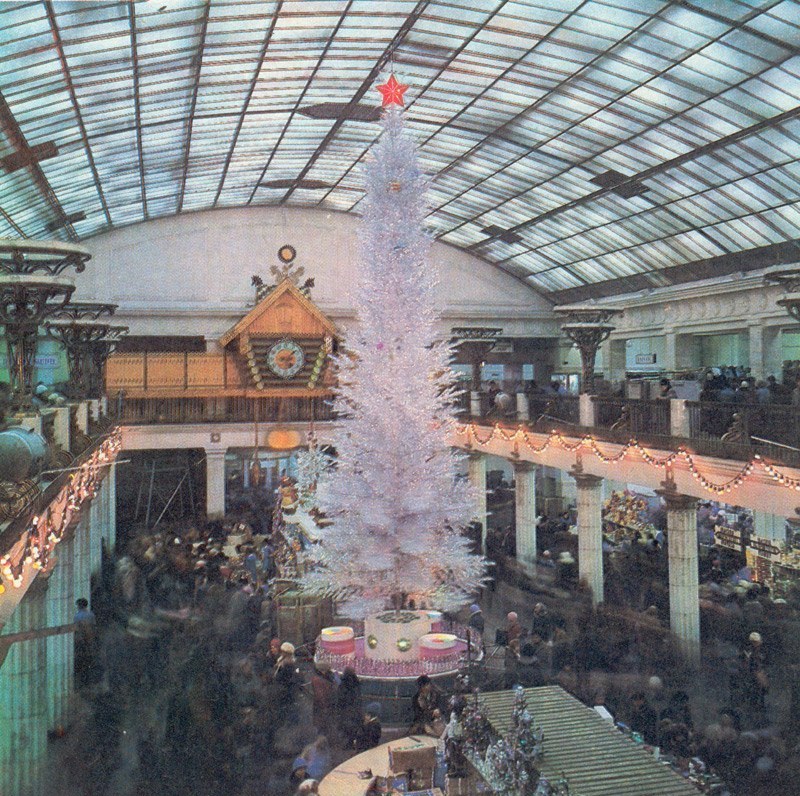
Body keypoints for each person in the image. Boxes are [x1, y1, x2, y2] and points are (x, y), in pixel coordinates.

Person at [74, 598, 98, 688]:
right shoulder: (91, 614)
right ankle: (90, 681)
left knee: (81, 660)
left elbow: (76, 629)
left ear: (79, 606)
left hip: (81, 640)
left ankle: (82, 682)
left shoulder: (77, 616)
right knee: (89, 660)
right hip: (90, 640)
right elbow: (93, 627)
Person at [336, 666, 363, 749]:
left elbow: (340, 696)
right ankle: (353, 741)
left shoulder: (343, 683)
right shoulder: (356, 683)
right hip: (355, 708)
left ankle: (348, 743)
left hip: (346, 709)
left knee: (346, 726)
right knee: (353, 726)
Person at [310, 662, 337, 734]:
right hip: (324, 710)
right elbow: (321, 697)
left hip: (324, 709)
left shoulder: (319, 679)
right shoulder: (320, 680)